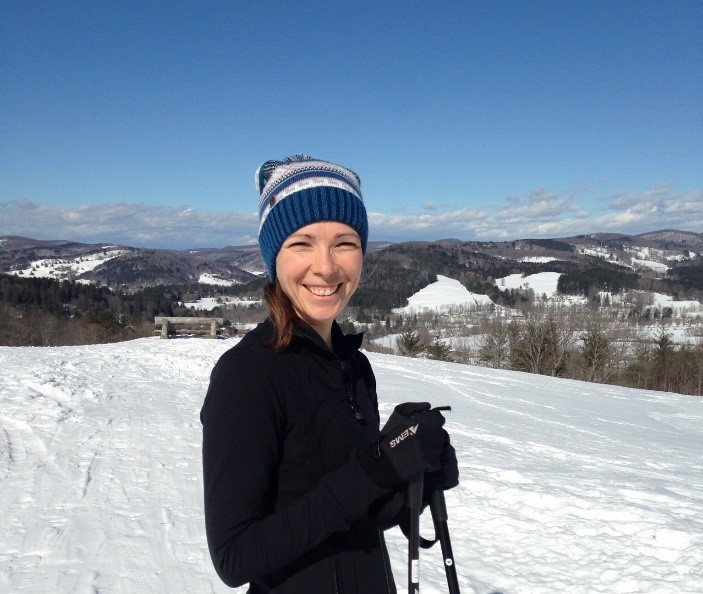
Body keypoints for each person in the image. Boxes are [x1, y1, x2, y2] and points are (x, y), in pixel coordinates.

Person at [201, 155, 458, 593]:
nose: (325, 267)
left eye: (344, 243)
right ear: (273, 256)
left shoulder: (354, 366)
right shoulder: (246, 375)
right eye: (301, 243)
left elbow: (347, 510)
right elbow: (234, 555)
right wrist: (374, 470)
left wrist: (406, 477)